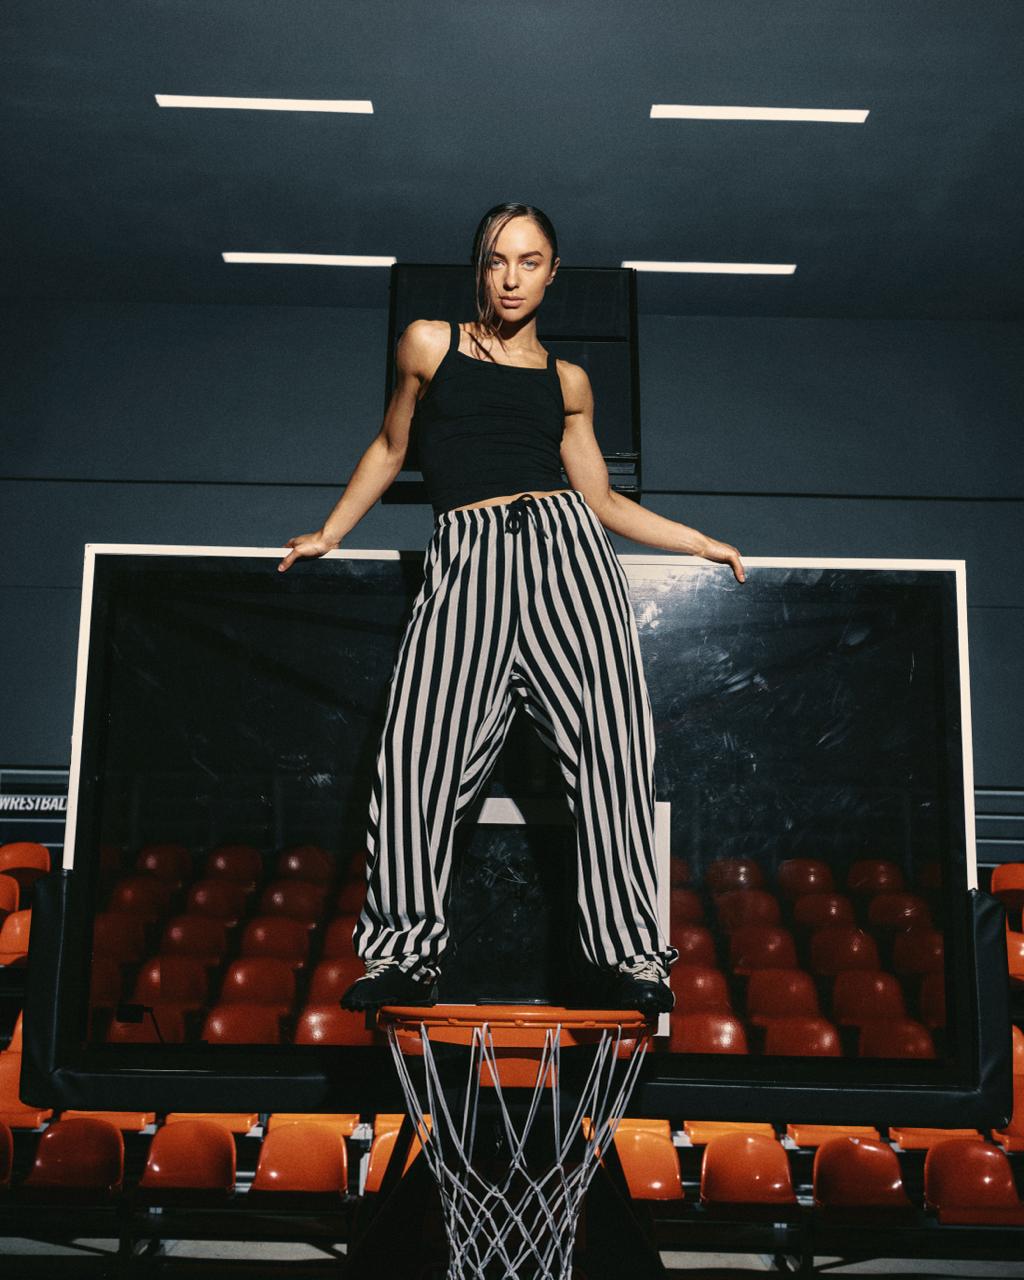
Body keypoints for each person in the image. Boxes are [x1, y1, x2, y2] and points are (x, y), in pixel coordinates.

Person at [279, 202, 746, 1017]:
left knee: (612, 755)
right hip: (468, 560)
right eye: (498, 260)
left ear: (552, 273)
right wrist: (330, 531)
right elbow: (390, 447)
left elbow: (602, 500)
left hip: (568, 559)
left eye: (529, 262)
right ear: (479, 267)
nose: (511, 278)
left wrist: (698, 542)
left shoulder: (569, 383)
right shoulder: (430, 344)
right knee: (417, 755)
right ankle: (405, 955)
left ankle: (630, 959)